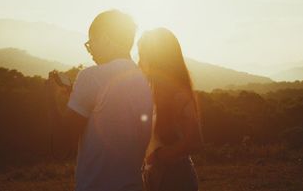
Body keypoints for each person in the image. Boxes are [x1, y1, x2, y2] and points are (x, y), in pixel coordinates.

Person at [47, 10, 153, 191]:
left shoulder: (92, 76)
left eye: (91, 43)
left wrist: (53, 98)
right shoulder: (145, 80)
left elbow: (61, 145)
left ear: (104, 38)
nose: (91, 52)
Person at [138, 28, 203, 191]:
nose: (139, 63)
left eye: (142, 57)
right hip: (153, 176)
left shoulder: (179, 96)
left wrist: (159, 156)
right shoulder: (151, 93)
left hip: (175, 179)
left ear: (158, 60)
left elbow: (194, 142)